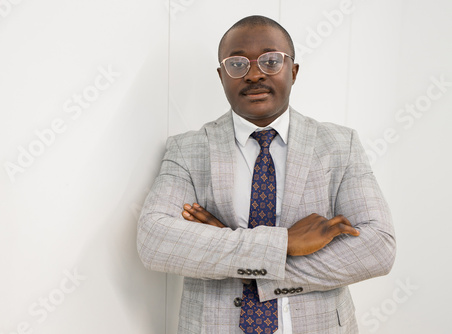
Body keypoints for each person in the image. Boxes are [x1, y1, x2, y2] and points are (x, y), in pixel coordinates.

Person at [137, 15, 396, 334]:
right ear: (222, 76)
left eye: (271, 61)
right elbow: (155, 241)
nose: (254, 74)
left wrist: (247, 263)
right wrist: (286, 242)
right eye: (237, 64)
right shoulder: (188, 149)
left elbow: (377, 248)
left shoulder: (340, 145)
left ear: (294, 71)